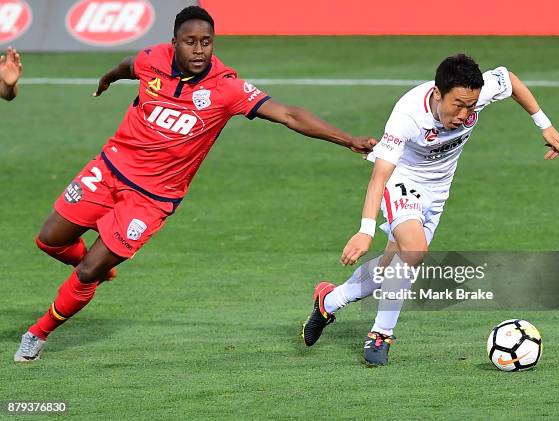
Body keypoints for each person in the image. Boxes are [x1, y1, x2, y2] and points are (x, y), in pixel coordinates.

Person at [14, 6, 376, 362]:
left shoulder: (226, 88)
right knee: (49, 240)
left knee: (86, 272)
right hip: (108, 169)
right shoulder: (152, 60)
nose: (200, 49)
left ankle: (38, 333)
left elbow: (289, 115)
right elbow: (129, 65)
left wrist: (346, 139)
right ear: (174, 43)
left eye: (207, 41)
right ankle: (102, 263)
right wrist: (108, 77)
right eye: (191, 42)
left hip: (151, 199)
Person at [301, 54, 559, 366]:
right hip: (402, 181)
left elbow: (510, 79)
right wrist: (365, 230)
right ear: (438, 94)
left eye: (472, 106)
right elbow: (379, 177)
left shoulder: (474, 93)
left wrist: (544, 125)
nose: (465, 114)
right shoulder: (407, 116)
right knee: (414, 251)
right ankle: (380, 335)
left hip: (438, 193)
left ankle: (328, 301)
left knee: (390, 268)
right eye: (457, 105)